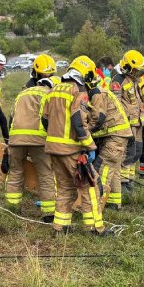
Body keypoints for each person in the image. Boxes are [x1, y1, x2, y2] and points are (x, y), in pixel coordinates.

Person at [41, 56, 105, 235]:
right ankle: (95, 228)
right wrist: (90, 146)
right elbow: (78, 122)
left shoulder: (53, 91)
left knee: (64, 188)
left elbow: (44, 120)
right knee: (89, 187)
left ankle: (60, 227)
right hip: (72, 150)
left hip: (53, 150)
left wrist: (54, 138)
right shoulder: (78, 92)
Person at [5, 76, 59, 222]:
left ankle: (12, 208)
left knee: (15, 171)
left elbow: (11, 116)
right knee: (46, 173)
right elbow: (51, 118)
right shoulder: (49, 94)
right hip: (39, 139)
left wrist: (9, 141)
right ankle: (49, 213)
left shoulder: (22, 93)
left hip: (16, 138)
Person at [89, 82, 133, 210]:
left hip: (115, 138)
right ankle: (113, 203)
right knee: (114, 170)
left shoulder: (96, 94)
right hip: (120, 136)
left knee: (103, 169)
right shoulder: (103, 92)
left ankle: (97, 206)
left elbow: (97, 118)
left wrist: (86, 134)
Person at [110, 50, 144, 192]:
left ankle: (130, 179)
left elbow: (138, 101)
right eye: (136, 70)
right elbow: (115, 104)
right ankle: (122, 182)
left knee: (136, 152)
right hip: (127, 124)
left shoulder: (134, 80)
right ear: (128, 67)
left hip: (138, 124)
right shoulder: (118, 80)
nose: (138, 72)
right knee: (126, 153)